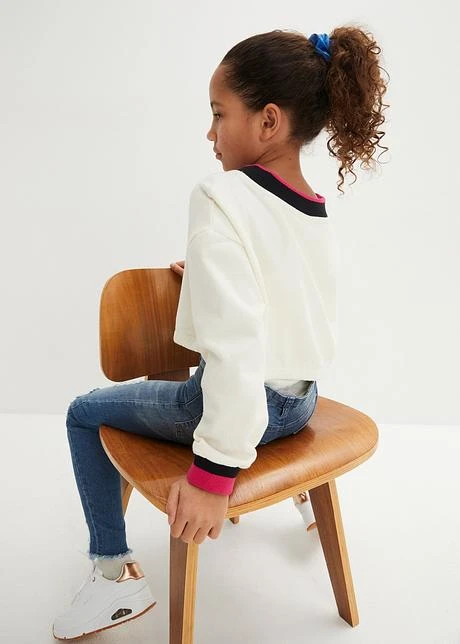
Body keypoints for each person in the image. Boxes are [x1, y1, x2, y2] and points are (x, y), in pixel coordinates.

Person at [53, 26, 389, 640]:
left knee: (82, 413)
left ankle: (112, 577)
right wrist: (210, 276)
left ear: (268, 121)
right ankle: (294, 492)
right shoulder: (312, 205)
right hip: (301, 401)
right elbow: (289, 296)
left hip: (233, 408)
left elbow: (235, 349)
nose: (209, 134)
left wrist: (213, 474)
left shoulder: (221, 195)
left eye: (218, 114)